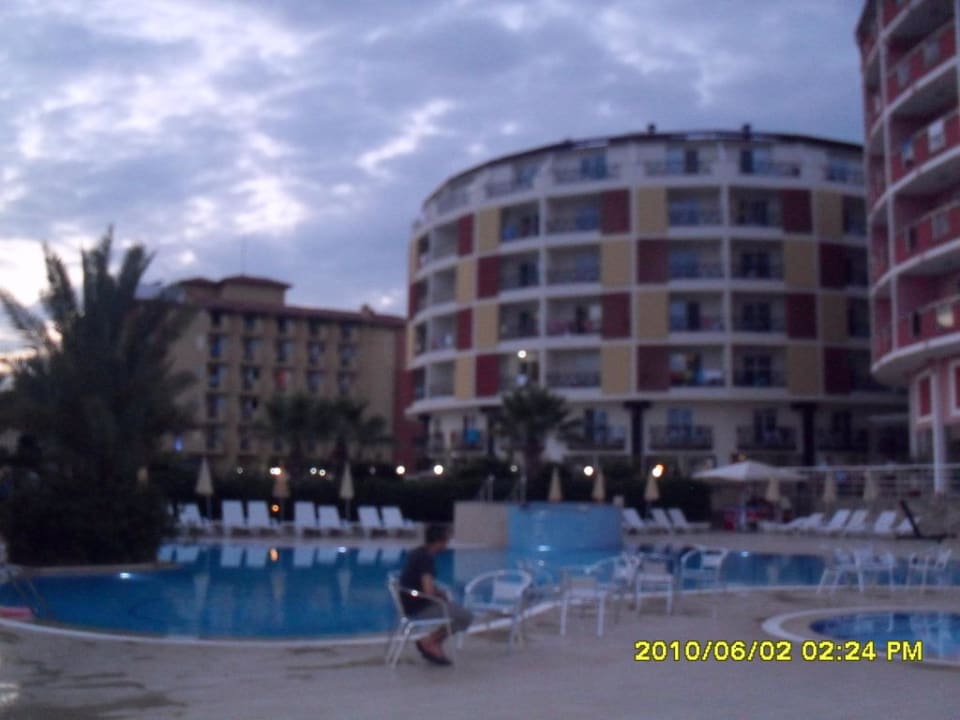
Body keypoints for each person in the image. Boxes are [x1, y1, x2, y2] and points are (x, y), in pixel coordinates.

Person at [398, 523, 472, 666]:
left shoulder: (418, 553)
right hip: (419, 608)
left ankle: (430, 641)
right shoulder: (426, 559)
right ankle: (430, 641)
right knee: (465, 616)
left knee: (455, 609)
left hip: (409, 604)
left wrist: (439, 593)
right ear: (440, 541)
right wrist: (441, 596)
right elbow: (429, 591)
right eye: (447, 540)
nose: (448, 543)